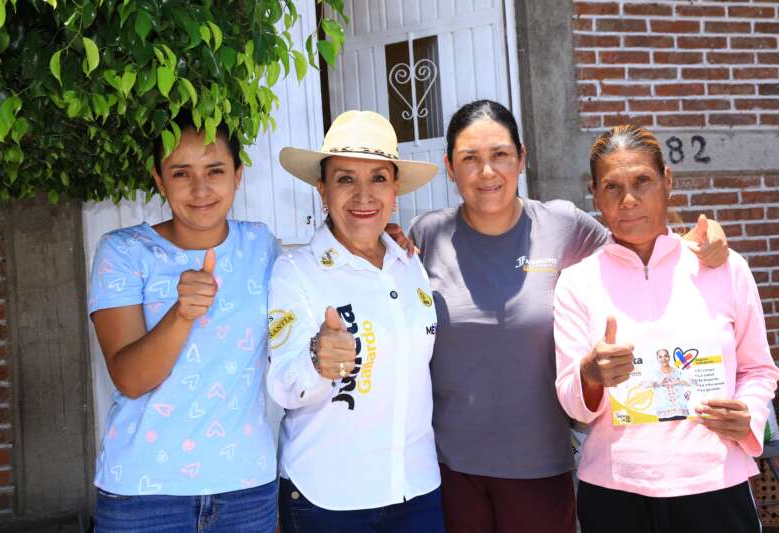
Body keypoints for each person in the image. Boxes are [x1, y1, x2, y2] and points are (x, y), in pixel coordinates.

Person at [408, 100, 729, 533]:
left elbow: (638, 247)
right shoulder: (426, 235)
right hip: (450, 469)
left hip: (541, 467)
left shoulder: (562, 225)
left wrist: (701, 242)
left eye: (500, 154)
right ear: (449, 167)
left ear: (522, 158)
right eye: (470, 159)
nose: (487, 172)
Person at [554, 124, 779, 533]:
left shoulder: (725, 268)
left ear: (667, 181)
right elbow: (571, 400)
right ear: (594, 194)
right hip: (615, 493)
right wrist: (590, 374)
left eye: (642, 181)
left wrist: (748, 413)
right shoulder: (577, 282)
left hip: (715, 485)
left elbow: (758, 370)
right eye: (612, 186)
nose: (628, 200)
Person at [87, 111, 279, 532]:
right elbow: (130, 379)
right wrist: (181, 314)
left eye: (215, 170)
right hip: (143, 494)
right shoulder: (123, 252)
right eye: (181, 173)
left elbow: (325, 266)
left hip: (245, 488)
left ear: (238, 174)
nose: (200, 189)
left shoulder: (261, 246)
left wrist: (382, 239)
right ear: (159, 180)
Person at [267, 110, 444, 532]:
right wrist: (316, 359)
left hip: (416, 489)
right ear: (322, 190)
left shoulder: (410, 264)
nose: (364, 195)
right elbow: (283, 385)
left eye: (378, 178)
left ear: (395, 190)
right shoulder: (296, 270)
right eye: (345, 178)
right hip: (327, 497)